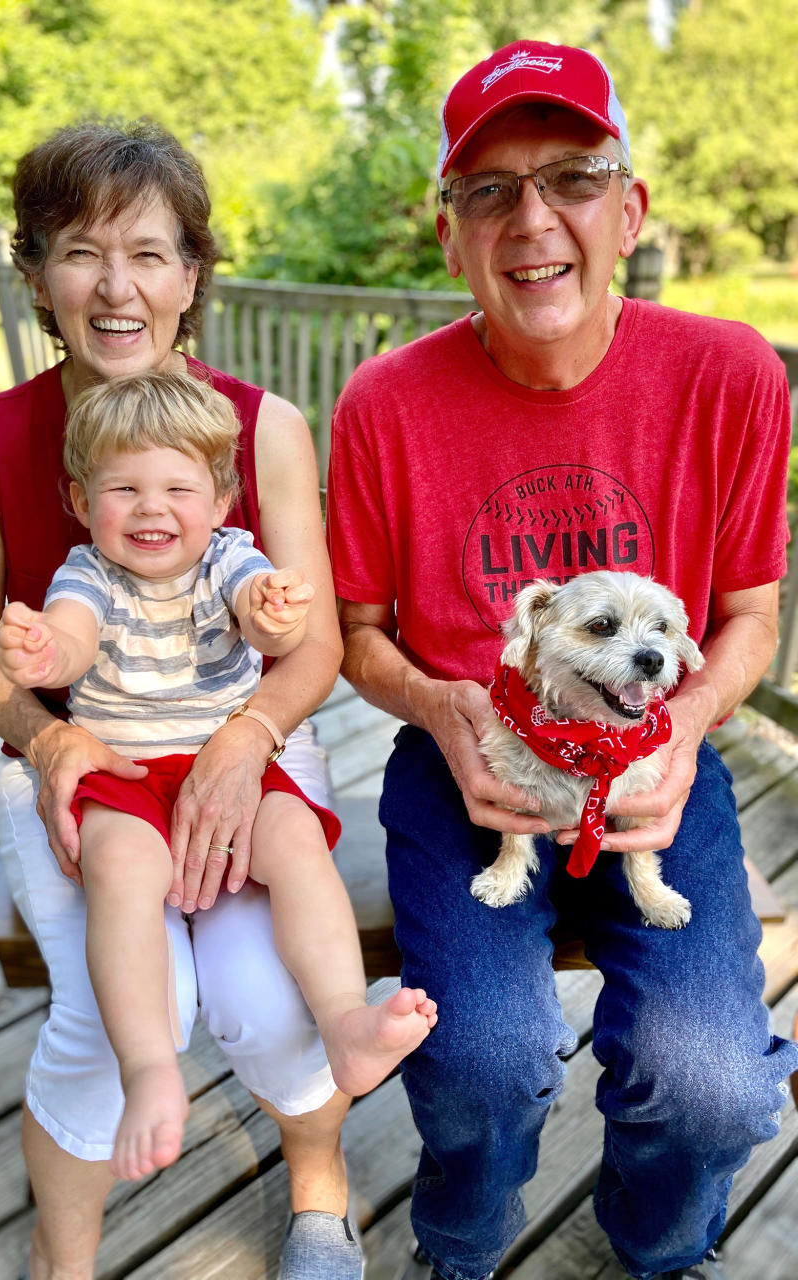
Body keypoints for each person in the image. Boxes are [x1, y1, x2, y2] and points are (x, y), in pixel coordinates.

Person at [326, 39, 797, 1280]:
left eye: (573, 175)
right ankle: (465, 1247)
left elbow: (750, 609)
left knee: (716, 1088)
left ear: (629, 208)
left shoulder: (732, 374)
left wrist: (686, 725)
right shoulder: (383, 403)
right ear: (450, 234)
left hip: (655, 759)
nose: (531, 218)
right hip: (464, 763)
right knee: (481, 1058)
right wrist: (442, 707)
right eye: (488, 188)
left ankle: (659, 1243)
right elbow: (358, 635)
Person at [0, 120, 366, 1280]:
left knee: (265, 992)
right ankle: (61, 1253)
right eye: (80, 251)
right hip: (92, 755)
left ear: (191, 275)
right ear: (35, 273)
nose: (116, 285)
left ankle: (321, 1193)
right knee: (116, 1012)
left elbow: (311, 640)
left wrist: (250, 734)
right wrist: (44, 732)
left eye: (149, 252)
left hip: (249, 736)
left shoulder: (262, 426)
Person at [0, 369, 436, 1182]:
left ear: (224, 497)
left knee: (298, 843)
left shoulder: (232, 558)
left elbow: (261, 613)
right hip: (123, 773)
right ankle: (148, 1067)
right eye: (123, 488)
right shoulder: (87, 573)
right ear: (81, 500)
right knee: (121, 873)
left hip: (227, 764)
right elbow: (74, 636)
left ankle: (343, 1021)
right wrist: (43, 651)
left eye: (177, 488)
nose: (152, 508)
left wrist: (273, 612)